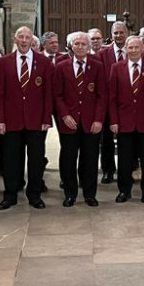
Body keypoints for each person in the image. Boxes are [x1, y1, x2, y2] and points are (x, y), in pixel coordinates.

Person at [0, 26, 54, 210]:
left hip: (36, 121)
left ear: (31, 40)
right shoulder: (4, 62)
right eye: (20, 37)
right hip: (11, 120)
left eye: (27, 37)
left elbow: (48, 93)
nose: (24, 40)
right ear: (15, 38)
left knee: (36, 159)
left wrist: (46, 118)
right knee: (11, 159)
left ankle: (34, 194)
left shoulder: (43, 62)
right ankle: (10, 194)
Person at [54, 32, 106, 207]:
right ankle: (70, 194)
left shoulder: (97, 66)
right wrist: (65, 115)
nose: (81, 47)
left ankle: (90, 194)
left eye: (84, 44)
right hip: (70, 121)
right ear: (71, 46)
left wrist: (99, 120)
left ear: (89, 46)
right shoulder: (61, 67)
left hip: (91, 122)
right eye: (77, 43)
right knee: (68, 159)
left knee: (90, 159)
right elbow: (57, 95)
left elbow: (101, 96)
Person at [109, 35, 144, 203]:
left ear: (142, 49)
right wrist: (114, 121)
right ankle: (124, 190)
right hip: (124, 123)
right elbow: (112, 98)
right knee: (124, 160)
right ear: (126, 49)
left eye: (136, 47)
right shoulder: (116, 68)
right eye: (130, 48)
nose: (133, 51)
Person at [99, 21, 129, 183]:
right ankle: (108, 171)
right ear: (111, 35)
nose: (118, 36)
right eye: (115, 33)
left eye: (121, 32)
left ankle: (127, 169)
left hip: (127, 104)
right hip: (108, 103)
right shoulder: (103, 55)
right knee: (107, 140)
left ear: (126, 33)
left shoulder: (133, 51)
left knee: (127, 139)